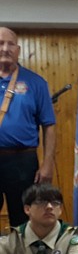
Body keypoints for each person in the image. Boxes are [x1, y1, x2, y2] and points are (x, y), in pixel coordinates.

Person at [0, 27, 56, 227]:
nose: (5, 48)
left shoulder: (36, 83)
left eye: (10, 44)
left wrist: (47, 163)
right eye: (0, 43)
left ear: (18, 49)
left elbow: (49, 126)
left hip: (22, 161)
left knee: (24, 219)